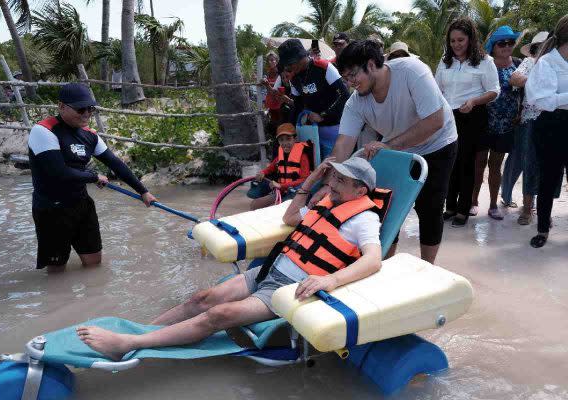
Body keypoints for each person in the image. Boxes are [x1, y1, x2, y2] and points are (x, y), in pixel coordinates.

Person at [76, 157, 383, 360]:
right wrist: (313, 180)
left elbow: (373, 261)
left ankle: (127, 345)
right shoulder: (328, 200)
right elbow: (291, 218)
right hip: (268, 271)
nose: (333, 182)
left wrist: (329, 280)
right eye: (334, 176)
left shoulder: (364, 219)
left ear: (360, 189)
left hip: (290, 289)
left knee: (217, 316)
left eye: (341, 180)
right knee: (202, 297)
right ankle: (138, 330)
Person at [326, 40, 458, 264]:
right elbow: (343, 144)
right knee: (385, 206)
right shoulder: (355, 103)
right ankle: (383, 264)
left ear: (370, 64)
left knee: (430, 208)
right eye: (345, 78)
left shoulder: (412, 71)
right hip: (395, 146)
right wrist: (328, 183)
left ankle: (427, 267)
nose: (350, 84)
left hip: (438, 143)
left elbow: (436, 120)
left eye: (352, 75)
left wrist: (390, 146)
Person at [28, 83, 157, 272]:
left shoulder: (90, 135)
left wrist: (143, 191)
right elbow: (59, 173)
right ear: (61, 106)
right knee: (56, 272)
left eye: (90, 108)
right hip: (52, 209)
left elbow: (116, 164)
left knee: (94, 264)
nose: (86, 114)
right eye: (80, 109)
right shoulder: (43, 130)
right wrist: (93, 176)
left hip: (81, 205)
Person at [435, 17, 500, 227]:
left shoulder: (485, 61)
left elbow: (494, 91)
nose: (456, 45)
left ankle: (463, 209)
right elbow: (437, 90)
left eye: (460, 40)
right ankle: (450, 207)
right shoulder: (445, 61)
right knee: (449, 163)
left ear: (470, 39)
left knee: (466, 163)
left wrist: (473, 101)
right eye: (452, 41)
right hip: (448, 117)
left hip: (472, 116)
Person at [505, 31, 561, 225]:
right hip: (532, 120)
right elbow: (514, 78)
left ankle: (545, 210)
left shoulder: (559, 63)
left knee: (553, 167)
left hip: (556, 119)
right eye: (538, 47)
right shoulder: (530, 62)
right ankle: (527, 208)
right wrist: (538, 82)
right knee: (531, 164)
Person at [525, 15, 568, 248]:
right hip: (552, 125)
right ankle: (542, 229)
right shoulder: (547, 63)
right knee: (548, 180)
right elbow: (542, 100)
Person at [471, 26, 522, 220]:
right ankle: (474, 201)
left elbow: (527, 92)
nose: (507, 46)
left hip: (507, 125)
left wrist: (521, 111)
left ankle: (493, 204)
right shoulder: (485, 64)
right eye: (502, 43)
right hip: (484, 123)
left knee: (495, 166)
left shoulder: (519, 65)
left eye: (510, 42)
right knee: (478, 165)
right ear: (493, 46)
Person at [278, 38, 350, 159]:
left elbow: (344, 95)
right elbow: (297, 105)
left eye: (290, 64)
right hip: (311, 131)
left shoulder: (324, 67)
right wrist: (289, 130)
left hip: (334, 127)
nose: (288, 68)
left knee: (333, 167)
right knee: (315, 167)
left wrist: (323, 115)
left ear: (300, 58)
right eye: (286, 65)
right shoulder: (294, 77)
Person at [248, 123, 313, 210]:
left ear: (295, 139)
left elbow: (304, 179)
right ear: (278, 142)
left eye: (288, 139)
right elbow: (270, 168)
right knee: (254, 204)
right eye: (281, 140)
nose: (285, 143)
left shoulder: (303, 156)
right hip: (281, 192)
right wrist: (262, 173)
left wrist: (282, 185)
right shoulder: (280, 156)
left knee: (276, 209)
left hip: (296, 193)